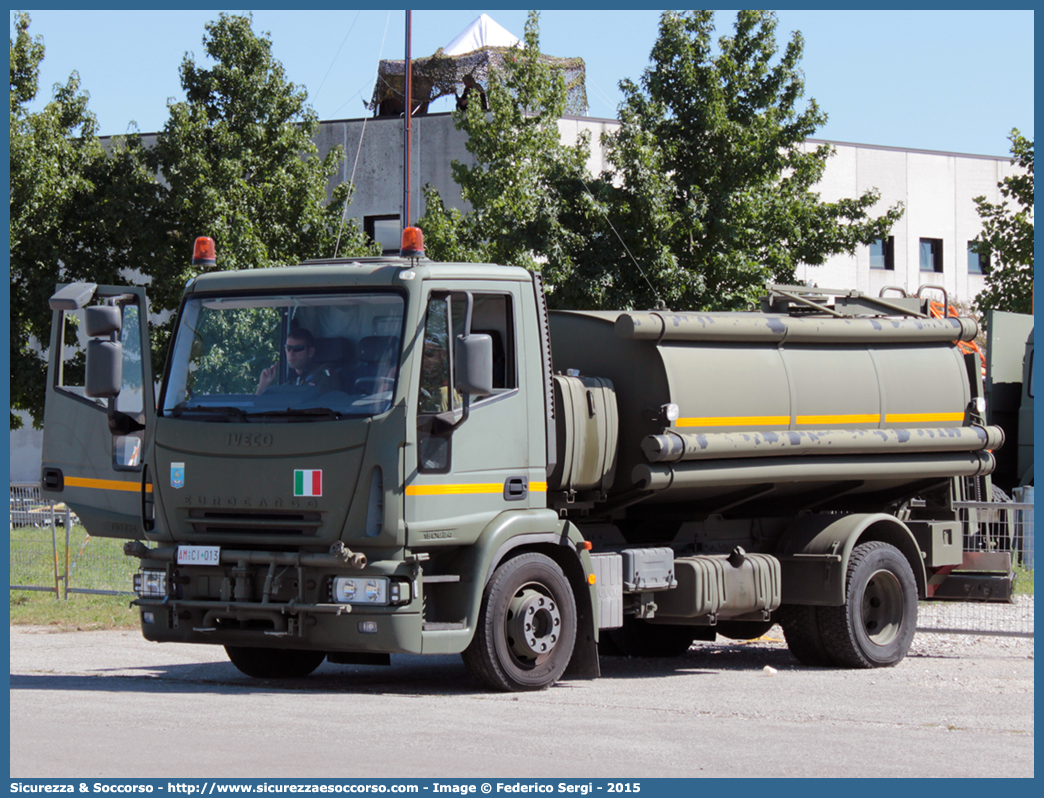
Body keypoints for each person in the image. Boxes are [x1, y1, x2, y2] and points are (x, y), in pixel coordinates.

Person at [257, 328, 339, 395]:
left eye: (297, 348)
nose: (291, 353)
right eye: (288, 348)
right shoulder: (292, 383)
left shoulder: (325, 371)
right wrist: (263, 384)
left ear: (311, 352)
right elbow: (258, 406)